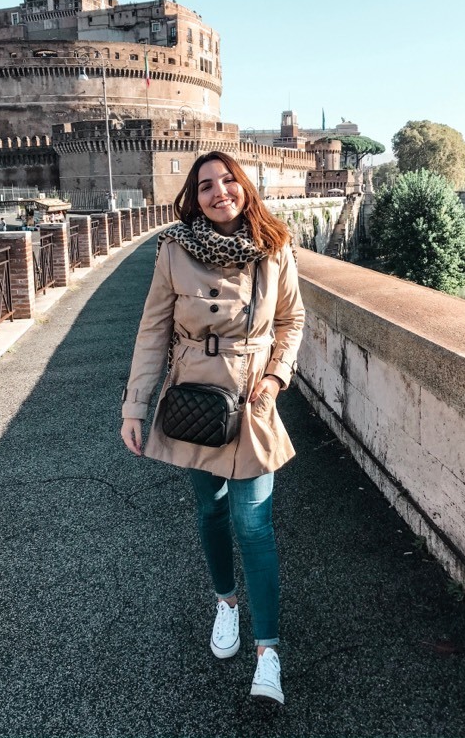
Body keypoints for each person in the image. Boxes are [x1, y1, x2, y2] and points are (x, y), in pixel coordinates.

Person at [121, 151, 304, 706]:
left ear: (244, 187)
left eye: (228, 181)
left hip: (251, 398)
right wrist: (135, 405)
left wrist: (275, 377)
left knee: (254, 524)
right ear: (193, 197)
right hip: (194, 399)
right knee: (210, 510)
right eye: (205, 185)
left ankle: (267, 652)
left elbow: (291, 320)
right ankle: (226, 603)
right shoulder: (174, 251)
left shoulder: (276, 247)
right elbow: (153, 331)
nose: (218, 191)